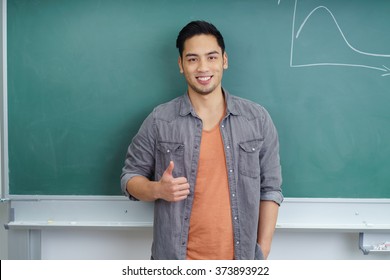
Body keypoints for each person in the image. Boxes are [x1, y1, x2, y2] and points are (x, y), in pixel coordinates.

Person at [121, 20, 283, 260]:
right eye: (192, 58)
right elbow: (129, 177)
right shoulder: (160, 120)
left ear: (224, 61)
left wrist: (263, 249)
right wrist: (158, 189)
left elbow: (270, 189)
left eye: (211, 57)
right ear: (181, 65)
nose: (203, 67)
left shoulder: (257, 119)